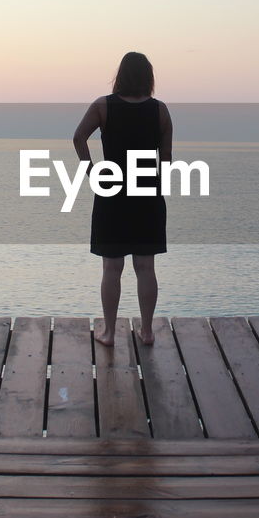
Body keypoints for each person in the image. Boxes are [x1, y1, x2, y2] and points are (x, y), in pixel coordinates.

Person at [73, 51, 172, 347]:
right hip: (147, 193)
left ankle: (109, 333)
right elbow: (165, 157)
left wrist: (92, 172)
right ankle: (147, 332)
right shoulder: (160, 110)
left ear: (120, 75)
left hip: (112, 191)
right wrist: (157, 189)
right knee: (146, 266)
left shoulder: (103, 106)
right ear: (148, 77)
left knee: (111, 268)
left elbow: (78, 138)